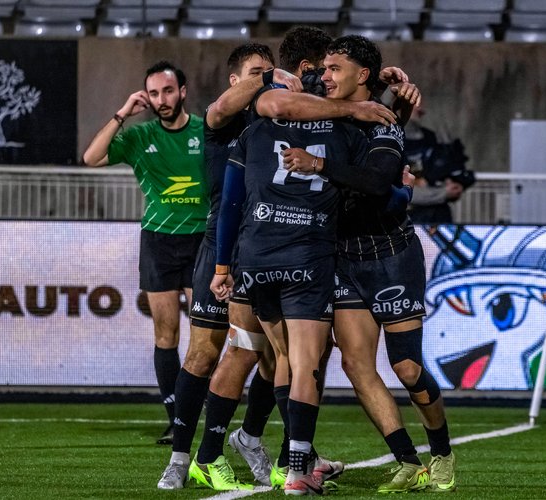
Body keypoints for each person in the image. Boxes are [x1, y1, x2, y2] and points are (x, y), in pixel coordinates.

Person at [205, 26, 398, 495]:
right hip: (306, 254)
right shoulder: (343, 125)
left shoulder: (259, 118)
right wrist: (372, 108)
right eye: (325, 68)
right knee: (300, 360)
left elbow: (232, 199)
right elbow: (378, 183)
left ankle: (248, 448)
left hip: (252, 253)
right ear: (310, 69)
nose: (329, 76)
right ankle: (292, 468)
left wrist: (224, 266)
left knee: (276, 357)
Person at [286, 35, 457, 493]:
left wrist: (318, 165)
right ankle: (408, 461)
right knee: (356, 363)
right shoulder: (325, 111)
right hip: (345, 257)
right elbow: (285, 82)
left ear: (359, 75)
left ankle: (441, 452)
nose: (325, 77)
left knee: (407, 368)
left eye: (334, 69)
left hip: (391, 257)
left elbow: (380, 182)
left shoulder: (384, 123)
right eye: (323, 68)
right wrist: (381, 77)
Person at [157, 43, 293, 491]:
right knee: (203, 354)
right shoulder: (221, 121)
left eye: (271, 70)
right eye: (256, 72)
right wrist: (270, 78)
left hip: (263, 248)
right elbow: (218, 108)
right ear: (236, 80)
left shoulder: (274, 120)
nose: (268, 77)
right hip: (221, 246)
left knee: (269, 356)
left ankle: (242, 441)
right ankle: (180, 459)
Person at [82, 61, 208, 444]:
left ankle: (198, 410)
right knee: (166, 333)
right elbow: (91, 158)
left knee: (204, 336)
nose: (161, 99)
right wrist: (122, 113)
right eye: (153, 93)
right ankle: (177, 419)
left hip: (202, 240)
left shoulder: (206, 130)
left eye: (167, 91)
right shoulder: (140, 136)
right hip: (158, 242)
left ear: (182, 91)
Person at [404, 106, 474, 224]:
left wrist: (451, 182)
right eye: (415, 104)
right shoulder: (388, 141)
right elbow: (400, 191)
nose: (421, 110)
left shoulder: (431, 138)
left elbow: (454, 181)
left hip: (437, 217)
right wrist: (442, 193)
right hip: (406, 219)